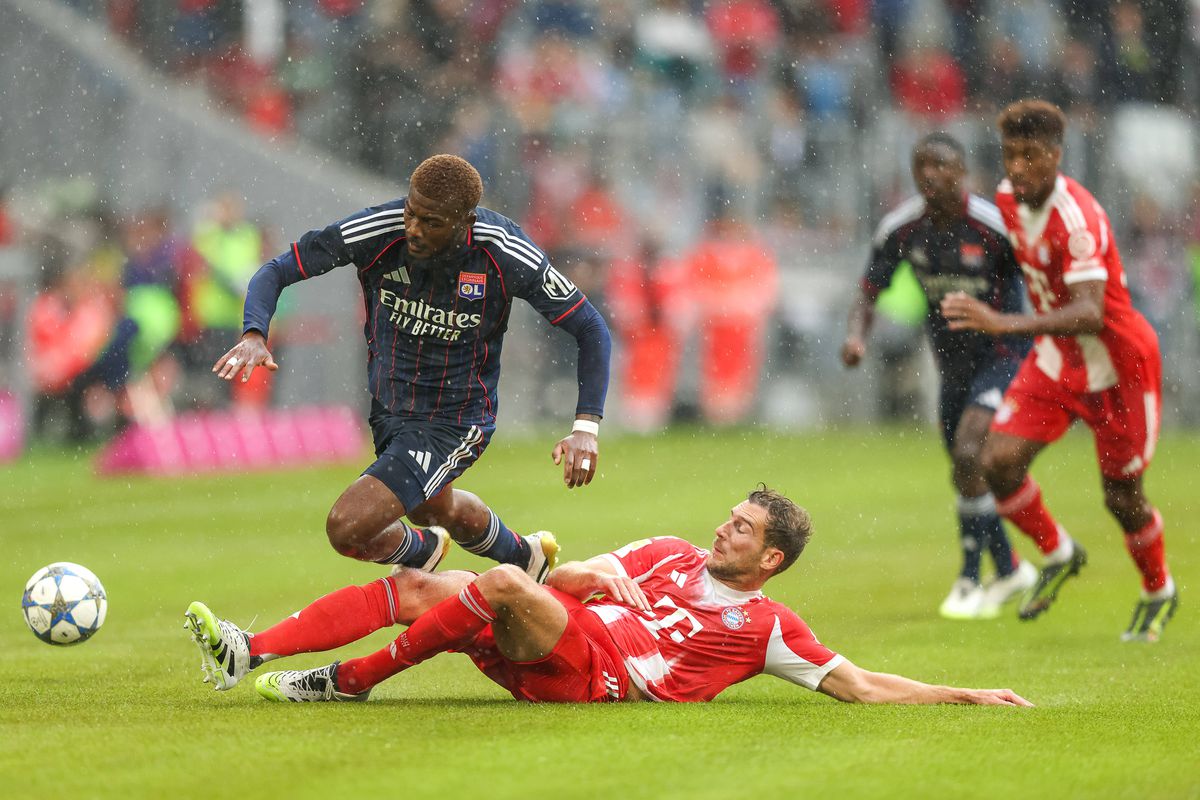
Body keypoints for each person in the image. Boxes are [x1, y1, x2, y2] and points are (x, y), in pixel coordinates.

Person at [184, 486, 1032, 707]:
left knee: (500, 581)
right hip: (560, 625)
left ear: (771, 559)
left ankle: (355, 679)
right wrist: (579, 573)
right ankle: (248, 653)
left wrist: (965, 692)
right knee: (417, 584)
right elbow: (567, 575)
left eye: (742, 530)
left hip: (594, 675)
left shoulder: (766, 626)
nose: (723, 530)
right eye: (730, 518)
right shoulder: (666, 551)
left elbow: (861, 684)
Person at [213, 154, 611, 579]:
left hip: (455, 418)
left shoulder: (503, 250)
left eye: (432, 222)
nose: (414, 230)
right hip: (390, 408)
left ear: (466, 221)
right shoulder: (377, 230)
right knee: (435, 507)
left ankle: (420, 553)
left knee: (347, 527)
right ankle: (525, 558)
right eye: (411, 213)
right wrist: (254, 333)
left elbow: (590, 327)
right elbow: (278, 270)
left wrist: (585, 428)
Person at [941, 100, 1178, 641]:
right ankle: (1059, 553)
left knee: (1122, 498)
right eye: (1009, 156)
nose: (1017, 168)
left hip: (1118, 368)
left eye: (1029, 156)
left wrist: (1001, 323)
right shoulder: (1005, 196)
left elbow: (1091, 312)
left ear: (1055, 156)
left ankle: (1158, 588)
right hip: (1057, 359)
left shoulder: (1078, 219)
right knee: (996, 462)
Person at [842, 133, 1036, 620]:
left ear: (962, 170)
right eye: (920, 166)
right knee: (963, 469)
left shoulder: (994, 226)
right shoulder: (903, 228)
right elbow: (868, 290)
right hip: (950, 364)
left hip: (1003, 355)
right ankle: (1010, 568)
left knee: (971, 452)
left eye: (940, 165)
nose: (929, 174)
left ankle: (971, 577)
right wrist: (856, 338)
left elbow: (1038, 280)